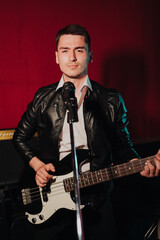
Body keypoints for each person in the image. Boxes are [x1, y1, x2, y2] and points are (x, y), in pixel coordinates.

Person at [13, 24, 160, 240]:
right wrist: (38, 166)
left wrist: (140, 165)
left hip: (97, 196)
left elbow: (123, 146)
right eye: (65, 50)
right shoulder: (42, 98)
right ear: (56, 56)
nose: (72, 57)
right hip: (51, 194)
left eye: (79, 50)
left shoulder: (111, 100)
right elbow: (20, 138)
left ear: (90, 55)